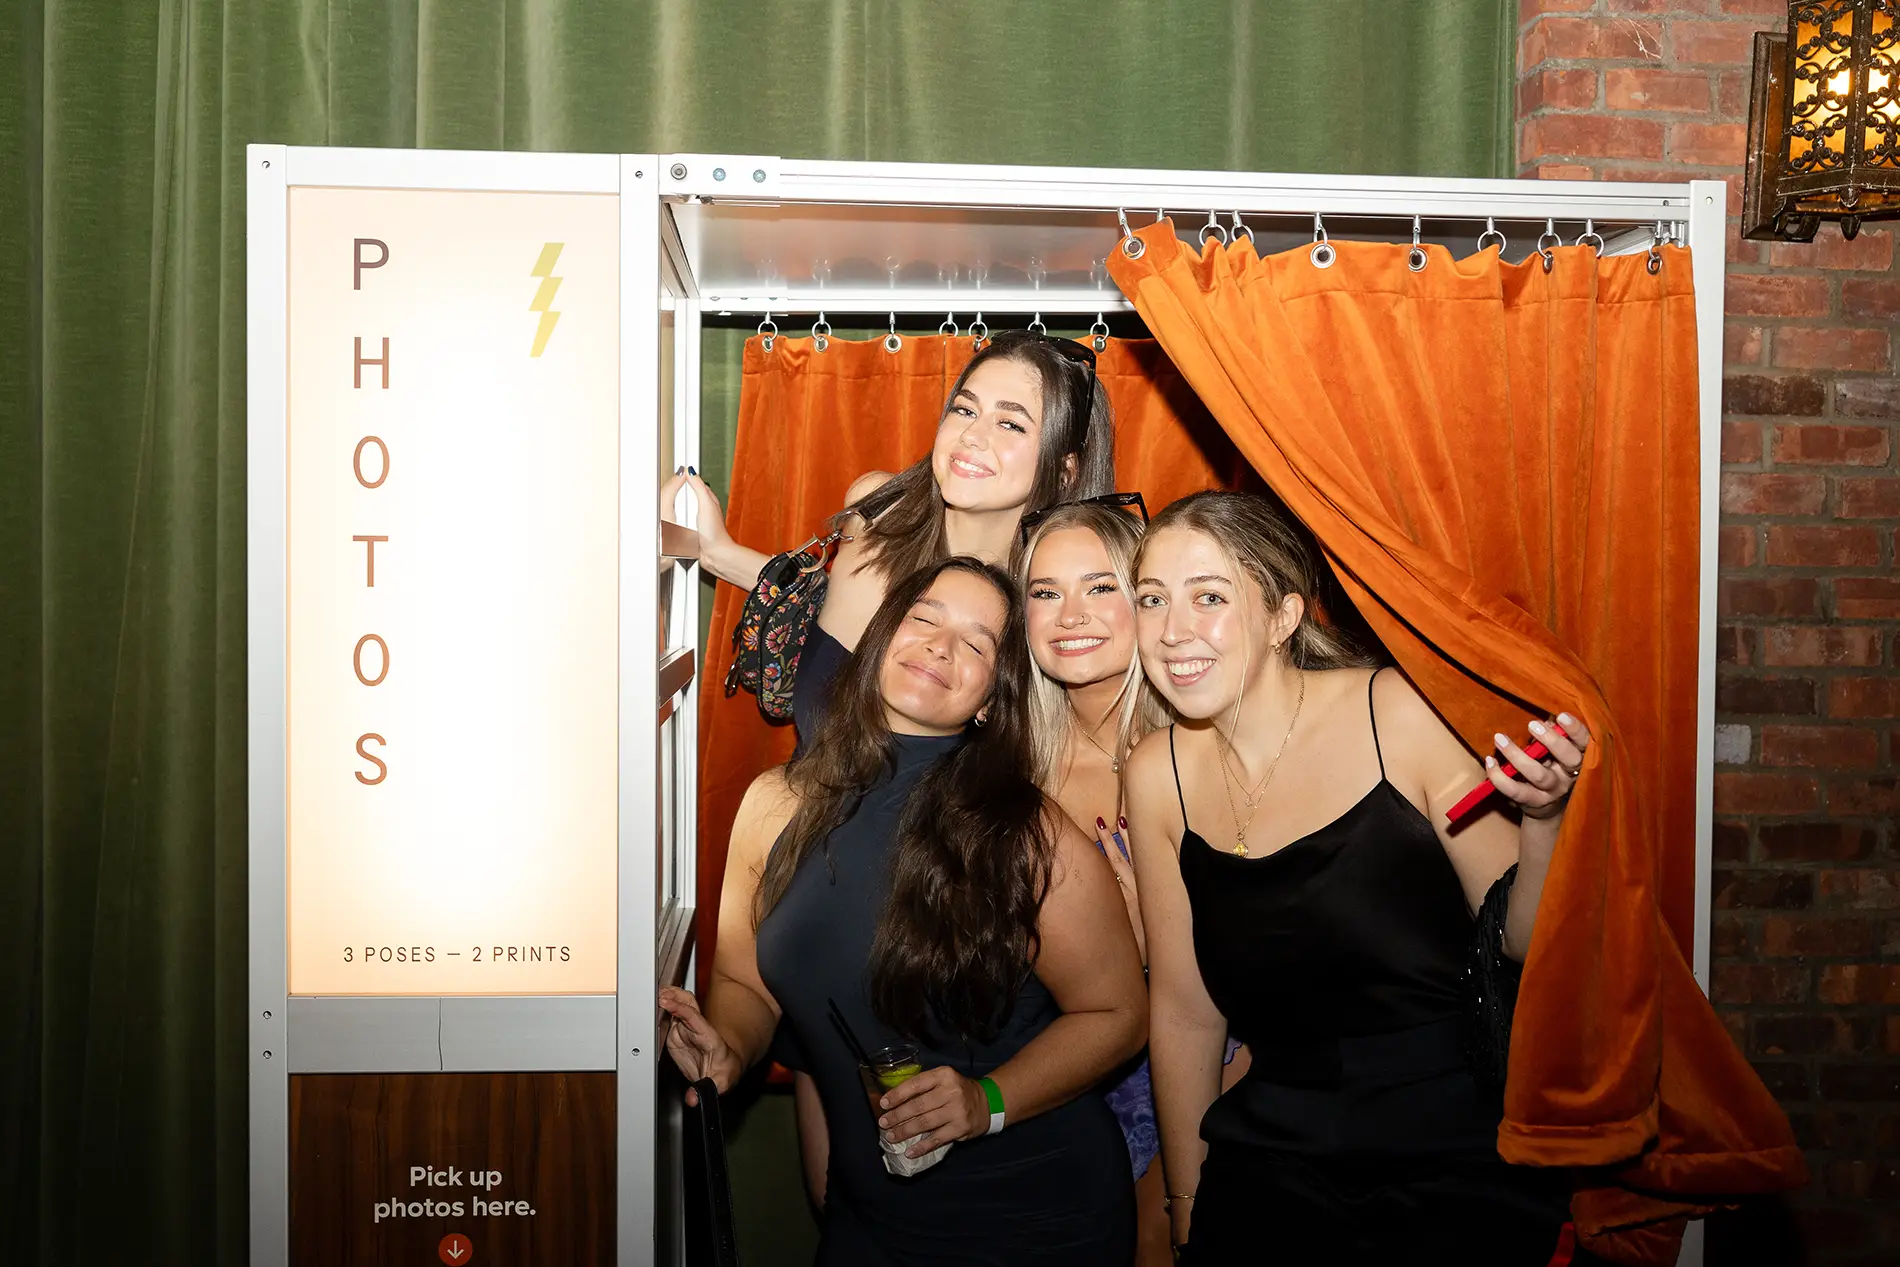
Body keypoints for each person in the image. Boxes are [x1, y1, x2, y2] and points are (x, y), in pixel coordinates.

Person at [1123, 491, 1593, 1266]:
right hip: (1274, 1154)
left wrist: (1543, 820)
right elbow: (1182, 1011)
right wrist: (1186, 1205)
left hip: (1454, 1153)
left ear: (1283, 618)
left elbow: (1527, 940)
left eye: (1209, 597)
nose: (1173, 632)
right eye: (1152, 599)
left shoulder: (1398, 713)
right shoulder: (1156, 773)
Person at [661, 558, 1147, 1267]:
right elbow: (745, 983)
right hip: (869, 1217)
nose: (942, 645)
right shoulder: (774, 802)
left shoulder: (1024, 831)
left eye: (978, 643)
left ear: (990, 700)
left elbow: (1119, 1014)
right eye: (924, 617)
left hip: (1035, 1214)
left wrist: (987, 1097)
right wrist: (728, 1047)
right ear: (882, 636)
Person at [664, 329, 1115, 743]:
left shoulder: (1058, 603)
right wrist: (715, 551)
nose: (972, 436)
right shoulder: (877, 511)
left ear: (1064, 468)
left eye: (1011, 423)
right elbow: (823, 604)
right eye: (965, 409)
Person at [1015, 498, 1172, 1266]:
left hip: (1203, 1064)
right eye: (1044, 591)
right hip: (1047, 1085)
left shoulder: (1195, 749)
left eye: (1099, 586)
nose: (1069, 614)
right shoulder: (1009, 771)